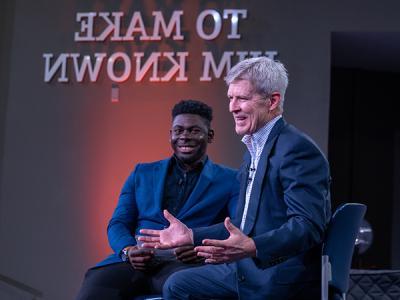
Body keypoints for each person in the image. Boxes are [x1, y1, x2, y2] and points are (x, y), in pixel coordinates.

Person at [139, 57, 332, 300]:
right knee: (178, 284)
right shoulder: (254, 148)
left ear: (272, 101)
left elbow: (308, 226)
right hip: (248, 268)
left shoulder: (297, 150)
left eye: (242, 98)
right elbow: (242, 225)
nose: (232, 107)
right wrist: (190, 236)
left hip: (279, 275)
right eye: (231, 98)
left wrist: (254, 246)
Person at [76, 100, 239, 300]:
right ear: (170, 135)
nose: (185, 136)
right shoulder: (141, 173)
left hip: (188, 264)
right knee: (97, 286)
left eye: (194, 130)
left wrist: (200, 247)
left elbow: (236, 227)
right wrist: (128, 251)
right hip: (137, 262)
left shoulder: (231, 179)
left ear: (210, 135)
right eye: (178, 131)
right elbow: (118, 223)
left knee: (185, 288)